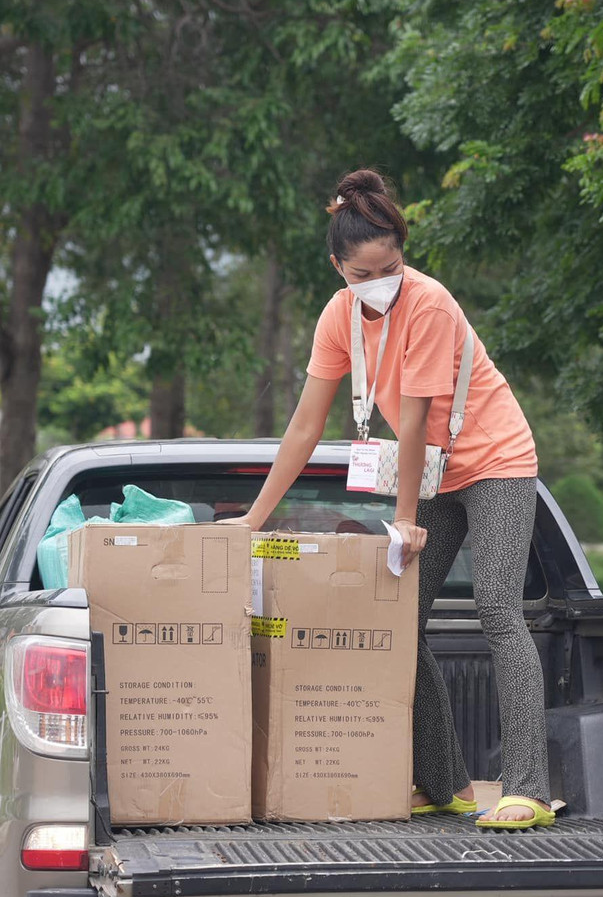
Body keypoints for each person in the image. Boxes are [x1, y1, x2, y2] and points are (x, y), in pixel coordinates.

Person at [225, 168, 552, 829]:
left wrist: (404, 521)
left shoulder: (428, 304)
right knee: (401, 622)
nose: (380, 282)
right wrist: (251, 520)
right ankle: (447, 783)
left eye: (391, 266)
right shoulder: (339, 318)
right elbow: (304, 425)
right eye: (362, 273)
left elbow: (417, 412)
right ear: (337, 267)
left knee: (497, 609)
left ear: (403, 256)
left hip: (495, 463)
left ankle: (529, 790)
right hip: (433, 470)